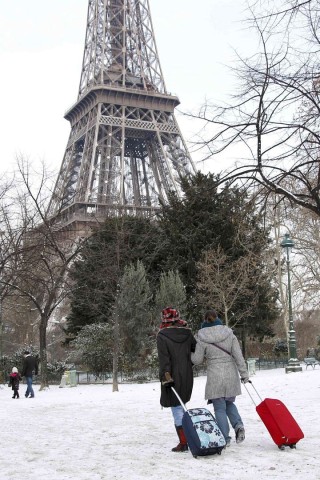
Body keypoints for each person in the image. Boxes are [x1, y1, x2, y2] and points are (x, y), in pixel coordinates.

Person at [191, 309, 249, 447]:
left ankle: (225, 438)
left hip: (215, 375)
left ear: (205, 320)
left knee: (219, 408)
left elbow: (197, 360)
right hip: (230, 374)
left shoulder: (201, 336)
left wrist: (189, 354)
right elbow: (238, 356)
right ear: (217, 318)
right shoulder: (229, 333)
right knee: (228, 403)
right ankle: (238, 426)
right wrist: (244, 374)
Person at [156, 307, 196, 452]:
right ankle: (187, 438)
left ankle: (184, 441)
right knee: (182, 404)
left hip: (171, 374)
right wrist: (187, 364)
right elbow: (194, 350)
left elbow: (164, 360)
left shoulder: (162, 335)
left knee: (176, 407)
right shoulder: (187, 333)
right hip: (186, 374)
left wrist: (166, 376)